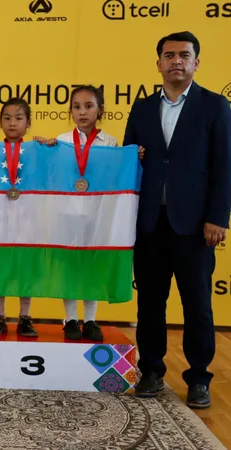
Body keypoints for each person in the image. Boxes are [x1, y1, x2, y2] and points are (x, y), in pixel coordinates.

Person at [123, 31, 231, 409]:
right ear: (159, 63)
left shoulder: (215, 105)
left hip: (196, 226)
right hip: (149, 223)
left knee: (197, 304)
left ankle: (199, 377)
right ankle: (151, 371)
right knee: (150, 304)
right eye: (169, 55)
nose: (176, 61)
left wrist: (218, 217)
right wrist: (132, 156)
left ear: (196, 62)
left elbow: (224, 167)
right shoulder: (141, 108)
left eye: (184, 55)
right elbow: (127, 163)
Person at [35, 85, 141, 341]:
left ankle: (91, 319)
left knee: (93, 266)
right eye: (76, 107)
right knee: (69, 266)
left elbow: (116, 174)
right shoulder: (61, 140)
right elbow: (50, 173)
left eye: (88, 106)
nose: (82, 112)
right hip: (66, 214)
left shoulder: (110, 142)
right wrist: (44, 149)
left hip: (97, 214)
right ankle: (70, 318)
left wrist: (132, 157)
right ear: (70, 111)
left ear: (100, 110)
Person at [0, 98, 37, 338]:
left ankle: (25, 316)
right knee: (0, 266)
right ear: (0, 122)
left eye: (18, 118)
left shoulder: (37, 152)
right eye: (7, 118)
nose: (12, 123)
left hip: (27, 218)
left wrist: (50, 146)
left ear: (28, 123)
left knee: (25, 267)